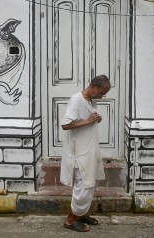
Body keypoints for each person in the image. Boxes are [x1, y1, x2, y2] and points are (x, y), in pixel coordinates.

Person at [60, 75, 111, 232]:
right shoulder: (76, 99)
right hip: (79, 153)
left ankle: (81, 214)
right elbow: (65, 124)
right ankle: (71, 219)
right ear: (93, 86)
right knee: (83, 187)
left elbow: (87, 120)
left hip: (89, 151)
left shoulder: (91, 101)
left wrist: (96, 119)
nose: (102, 96)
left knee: (89, 184)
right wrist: (89, 120)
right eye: (102, 93)